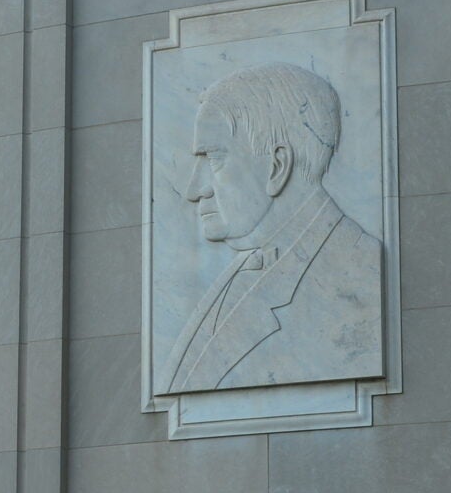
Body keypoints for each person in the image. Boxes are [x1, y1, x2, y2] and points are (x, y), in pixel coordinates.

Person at [161, 61, 382, 393]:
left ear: (278, 166)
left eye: (214, 159)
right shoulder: (249, 262)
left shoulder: (355, 275)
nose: (195, 189)